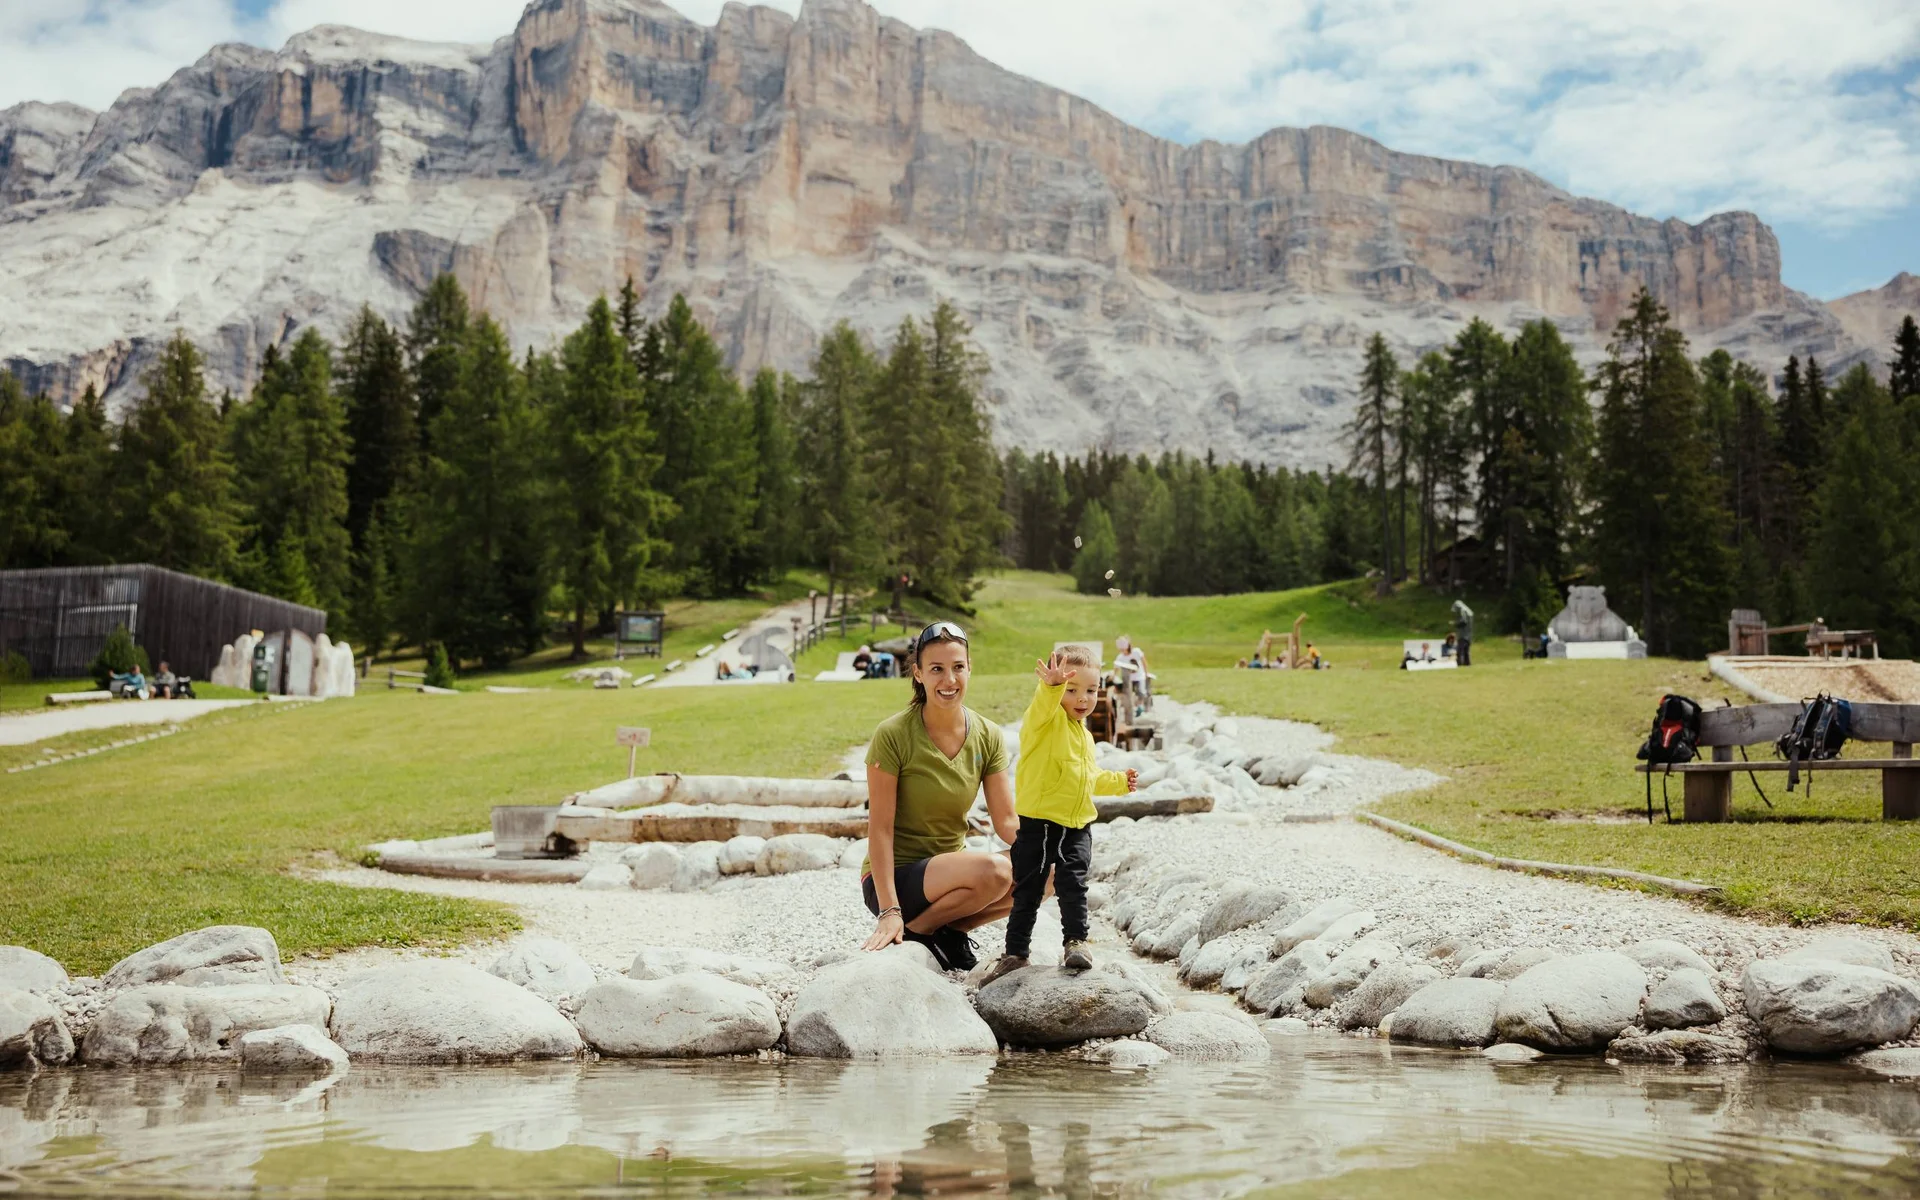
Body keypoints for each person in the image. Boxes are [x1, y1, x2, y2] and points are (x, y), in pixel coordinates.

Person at [860, 621, 1018, 971]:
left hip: (955, 875)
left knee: (1049, 870)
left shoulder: (988, 735)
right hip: (894, 880)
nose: (949, 680)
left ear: (970, 668)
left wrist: (1047, 848)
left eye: (958, 667)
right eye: (937, 669)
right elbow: (880, 829)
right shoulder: (893, 734)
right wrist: (889, 910)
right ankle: (917, 930)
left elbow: (1006, 821)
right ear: (917, 674)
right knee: (994, 870)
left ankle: (950, 931)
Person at [981, 648, 1138, 984]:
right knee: (1028, 889)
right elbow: (1042, 706)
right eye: (1072, 689)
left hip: (1078, 824)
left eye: (1091, 690)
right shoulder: (1044, 721)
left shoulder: (1083, 734)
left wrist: (1121, 783)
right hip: (1039, 824)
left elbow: (1089, 777)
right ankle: (1016, 953)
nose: (1083, 698)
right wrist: (1051, 689)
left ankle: (1076, 942)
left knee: (1074, 885)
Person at [1452, 599, 1474, 667]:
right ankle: (1467, 663)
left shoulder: (1462, 610)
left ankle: (1459, 663)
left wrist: (1455, 624)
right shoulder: (1468, 611)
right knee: (1466, 651)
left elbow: (1463, 621)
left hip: (1463, 635)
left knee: (1460, 650)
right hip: (1469, 635)